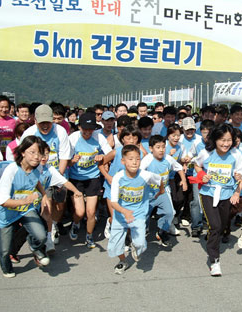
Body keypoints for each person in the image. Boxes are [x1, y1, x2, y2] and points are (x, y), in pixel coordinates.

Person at [193, 124, 242, 276]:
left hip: (226, 195)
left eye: (229, 140)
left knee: (222, 225)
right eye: (222, 140)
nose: (225, 144)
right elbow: (197, 165)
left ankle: (212, 236)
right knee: (216, 226)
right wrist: (202, 175)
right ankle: (214, 260)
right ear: (215, 139)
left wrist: (238, 182)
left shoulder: (236, 155)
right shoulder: (206, 152)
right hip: (208, 193)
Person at [0, 136, 50, 277]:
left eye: (40, 153)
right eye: (32, 152)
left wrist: (44, 194)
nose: (37, 157)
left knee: (41, 235)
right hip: (6, 214)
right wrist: (27, 200)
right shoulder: (11, 170)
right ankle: (6, 267)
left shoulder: (37, 168)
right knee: (5, 250)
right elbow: (2, 201)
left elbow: (35, 180)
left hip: (25, 210)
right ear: (23, 152)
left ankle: (34, 247)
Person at [108, 145, 163, 274]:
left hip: (138, 214)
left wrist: (161, 190)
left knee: (140, 244)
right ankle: (123, 261)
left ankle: (135, 247)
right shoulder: (118, 177)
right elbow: (114, 202)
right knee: (115, 243)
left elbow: (159, 179)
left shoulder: (145, 175)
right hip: (121, 215)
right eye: (130, 159)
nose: (134, 162)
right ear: (123, 161)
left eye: (137, 159)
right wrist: (125, 212)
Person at [21, 104, 71, 238]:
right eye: (41, 123)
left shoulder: (60, 131)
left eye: (48, 123)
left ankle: (53, 223)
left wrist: (58, 179)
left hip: (58, 172)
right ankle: (47, 231)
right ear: (35, 121)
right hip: (38, 177)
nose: (45, 126)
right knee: (46, 202)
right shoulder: (29, 133)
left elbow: (64, 156)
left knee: (60, 205)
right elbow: (23, 158)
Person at [67, 112, 112, 248]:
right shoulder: (73, 138)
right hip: (76, 179)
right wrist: (72, 161)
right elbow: (66, 161)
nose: (87, 132)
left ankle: (89, 235)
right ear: (79, 127)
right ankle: (75, 224)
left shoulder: (98, 137)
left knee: (91, 212)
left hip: (93, 178)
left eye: (90, 129)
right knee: (80, 212)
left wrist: (102, 158)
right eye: (84, 129)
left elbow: (110, 153)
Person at [140, 135, 184, 247]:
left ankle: (162, 231)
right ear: (151, 148)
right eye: (158, 147)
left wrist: (184, 180)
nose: (161, 150)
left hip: (163, 192)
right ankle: (141, 233)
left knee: (170, 213)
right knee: (144, 215)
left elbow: (179, 168)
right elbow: (139, 173)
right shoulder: (147, 160)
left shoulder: (168, 159)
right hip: (148, 193)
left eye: (163, 147)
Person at [187, 119, 215, 237]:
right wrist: (186, 159)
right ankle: (196, 225)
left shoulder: (217, 144)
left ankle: (208, 223)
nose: (206, 136)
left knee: (210, 202)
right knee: (196, 201)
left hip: (212, 178)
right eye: (203, 132)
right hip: (197, 177)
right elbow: (190, 154)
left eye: (208, 133)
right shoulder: (197, 144)